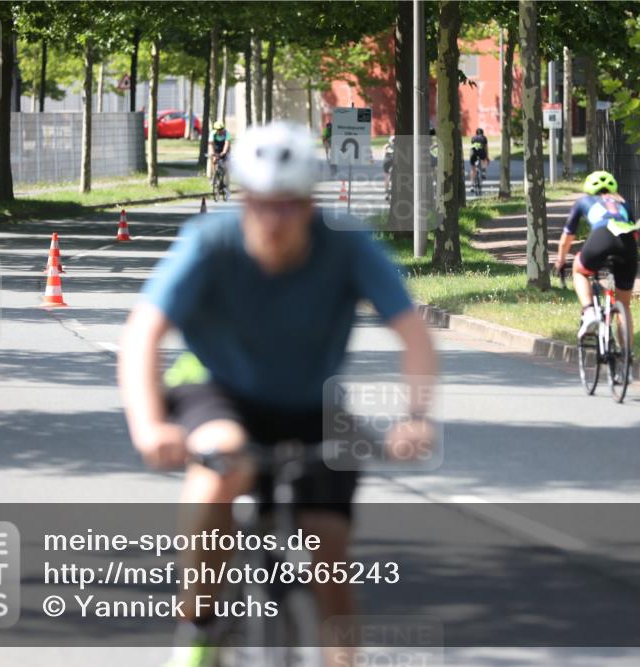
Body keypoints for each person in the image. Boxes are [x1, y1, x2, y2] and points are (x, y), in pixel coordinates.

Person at [118, 121, 438, 667]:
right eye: (262, 203)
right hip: (218, 387)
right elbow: (142, 334)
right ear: (243, 198)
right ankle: (196, 626)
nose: (275, 218)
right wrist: (150, 428)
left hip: (310, 404)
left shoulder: (347, 246)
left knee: (326, 545)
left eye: (289, 205)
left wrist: (414, 417)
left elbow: (413, 333)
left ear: (309, 204)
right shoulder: (210, 244)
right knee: (226, 463)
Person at [552, 170, 640, 349]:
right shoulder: (624, 203)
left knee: (579, 269)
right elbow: (636, 236)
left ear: (588, 189)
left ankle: (589, 311)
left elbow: (566, 238)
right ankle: (627, 361)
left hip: (601, 235)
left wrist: (560, 260)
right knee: (624, 305)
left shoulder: (583, 201)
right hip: (627, 244)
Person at [209, 121, 231, 186]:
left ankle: (226, 181)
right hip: (216, 149)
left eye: (221, 129)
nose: (220, 131)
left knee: (226, 164)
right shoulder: (212, 134)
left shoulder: (227, 134)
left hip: (225, 149)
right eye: (218, 130)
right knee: (214, 160)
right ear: (215, 129)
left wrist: (224, 152)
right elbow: (211, 144)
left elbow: (227, 144)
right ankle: (213, 177)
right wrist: (213, 153)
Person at [468, 127, 488, 192]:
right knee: (484, 159)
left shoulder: (473, 138)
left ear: (476, 133)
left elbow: (471, 147)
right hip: (481, 151)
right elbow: (486, 148)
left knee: (472, 168)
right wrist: (486, 156)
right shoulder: (484, 138)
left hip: (473, 152)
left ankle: (471, 186)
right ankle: (483, 172)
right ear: (482, 133)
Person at [382, 135, 395, 200]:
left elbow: (383, 153)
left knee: (386, 177)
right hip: (393, 161)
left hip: (386, 160)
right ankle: (391, 191)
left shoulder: (386, 146)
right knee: (393, 176)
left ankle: (386, 192)